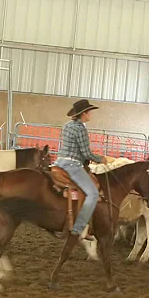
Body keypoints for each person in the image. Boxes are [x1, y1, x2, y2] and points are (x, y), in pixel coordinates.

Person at [54, 99, 108, 238]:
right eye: (89, 112)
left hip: (60, 162)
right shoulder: (81, 129)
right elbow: (85, 153)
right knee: (93, 193)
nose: (91, 114)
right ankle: (79, 228)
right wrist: (100, 159)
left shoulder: (67, 125)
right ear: (84, 113)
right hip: (72, 165)